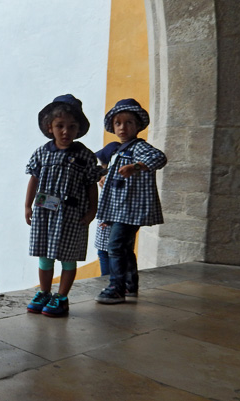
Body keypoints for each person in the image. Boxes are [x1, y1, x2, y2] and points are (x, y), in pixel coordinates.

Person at [25, 94, 101, 318]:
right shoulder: (41, 153)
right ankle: (44, 293)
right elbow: (34, 179)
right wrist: (27, 206)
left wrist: (92, 211)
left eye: (72, 126)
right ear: (50, 127)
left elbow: (91, 185)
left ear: (78, 129)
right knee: (45, 256)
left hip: (72, 214)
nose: (65, 131)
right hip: (45, 213)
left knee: (68, 257)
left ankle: (62, 297)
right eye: (60, 126)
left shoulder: (85, 156)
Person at [94, 99, 167, 304]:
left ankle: (116, 288)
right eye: (118, 123)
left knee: (115, 247)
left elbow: (159, 158)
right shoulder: (119, 151)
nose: (122, 127)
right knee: (124, 248)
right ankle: (129, 285)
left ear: (137, 126)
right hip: (120, 210)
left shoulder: (138, 147)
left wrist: (135, 167)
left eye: (128, 123)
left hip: (130, 210)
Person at [94, 142, 121, 276]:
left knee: (106, 253)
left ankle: (109, 282)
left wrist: (107, 219)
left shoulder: (110, 175)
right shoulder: (111, 175)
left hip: (109, 220)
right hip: (109, 219)